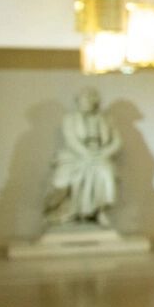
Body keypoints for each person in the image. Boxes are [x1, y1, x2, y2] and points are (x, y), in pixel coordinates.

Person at [46, 86, 121, 227]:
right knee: (62, 182)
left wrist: (103, 153)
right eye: (81, 100)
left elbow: (116, 141)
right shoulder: (70, 119)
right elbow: (71, 140)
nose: (84, 103)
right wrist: (88, 155)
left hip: (100, 155)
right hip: (74, 157)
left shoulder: (105, 119)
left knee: (106, 172)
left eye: (87, 100)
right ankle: (64, 212)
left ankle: (99, 211)